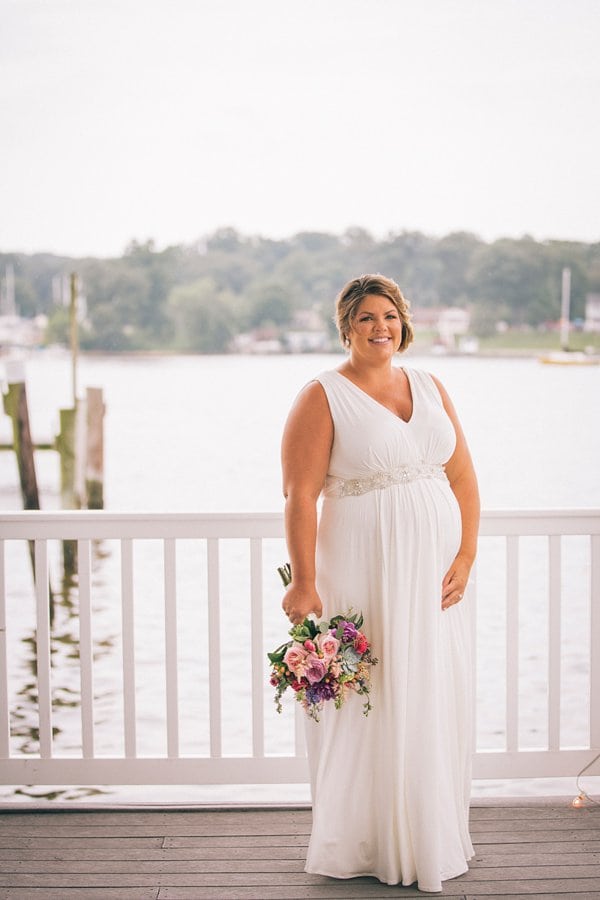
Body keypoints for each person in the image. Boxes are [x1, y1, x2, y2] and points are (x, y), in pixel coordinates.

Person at [280, 274, 480, 893]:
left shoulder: (430, 385)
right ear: (346, 327)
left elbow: (464, 480)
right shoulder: (323, 395)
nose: (381, 328)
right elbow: (300, 494)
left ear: (404, 323)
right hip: (363, 567)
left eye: (389, 316)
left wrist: (466, 557)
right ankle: (368, 839)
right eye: (366, 318)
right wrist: (304, 581)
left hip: (436, 578)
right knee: (377, 691)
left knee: (431, 687)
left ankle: (429, 833)